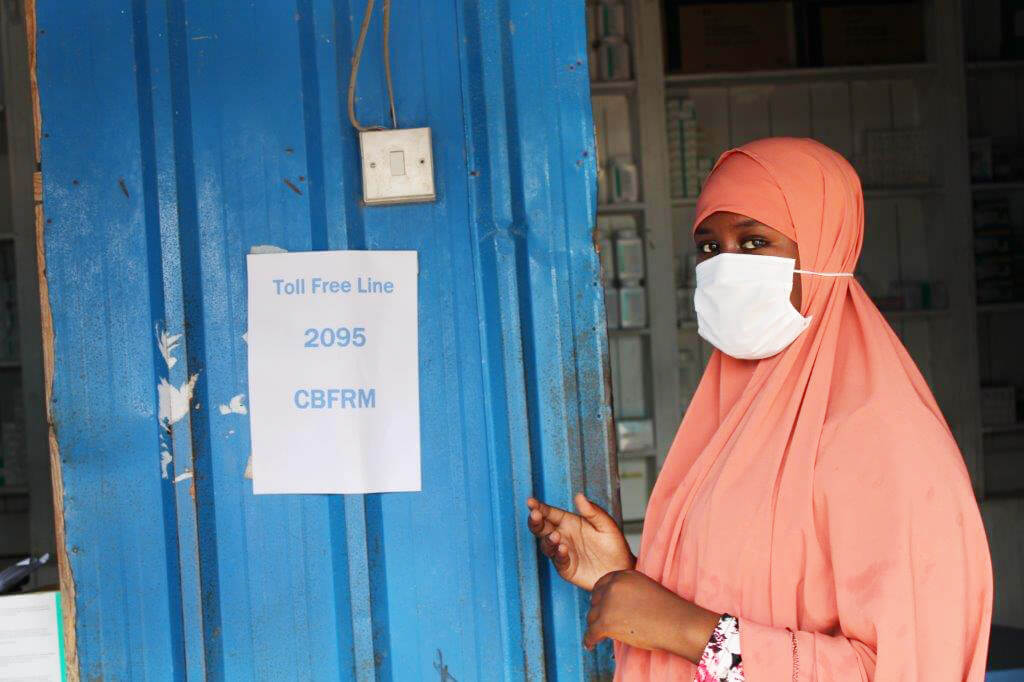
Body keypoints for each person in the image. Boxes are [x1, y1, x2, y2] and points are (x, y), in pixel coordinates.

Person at [527, 137, 993, 680]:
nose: (726, 268)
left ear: (822, 250)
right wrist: (622, 577)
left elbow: (911, 667)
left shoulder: (883, 438)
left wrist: (686, 631)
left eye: (754, 242)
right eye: (709, 248)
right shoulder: (731, 421)